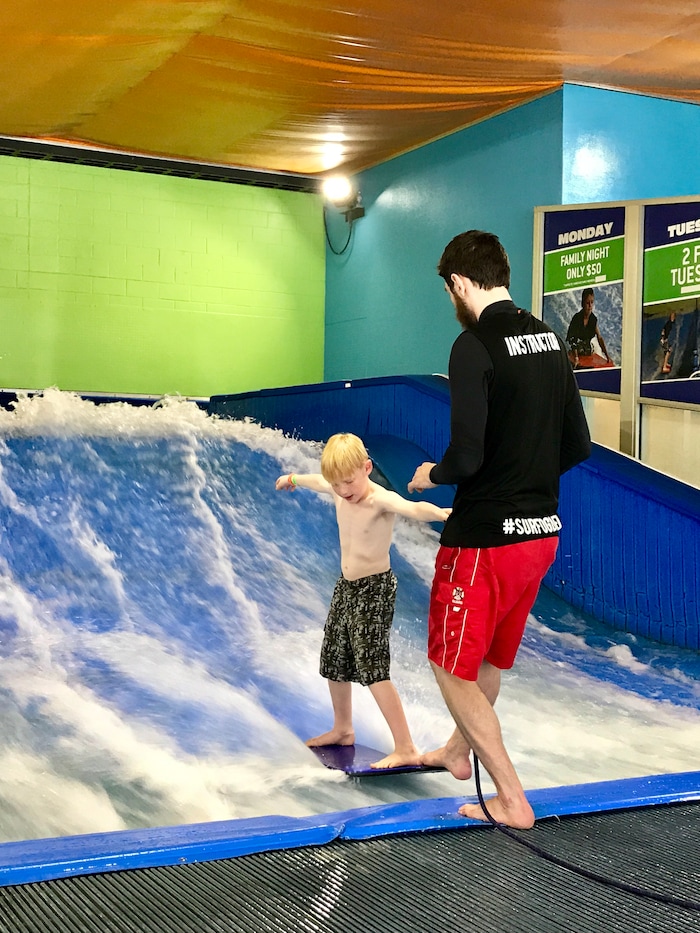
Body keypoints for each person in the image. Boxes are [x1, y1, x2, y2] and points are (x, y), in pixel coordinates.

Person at [408, 230, 591, 828]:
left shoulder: (473, 345)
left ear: (459, 283)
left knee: (448, 665)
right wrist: (527, 482)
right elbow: (577, 445)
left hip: (484, 539)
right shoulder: (549, 340)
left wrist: (428, 476)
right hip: (541, 534)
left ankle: (511, 798)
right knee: (489, 660)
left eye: (446, 291)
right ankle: (460, 752)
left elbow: (464, 457)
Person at [276, 432, 451, 769]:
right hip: (347, 587)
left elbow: (412, 508)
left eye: (350, 482)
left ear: (367, 468)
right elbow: (317, 480)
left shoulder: (378, 499)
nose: (344, 491)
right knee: (334, 657)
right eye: (337, 484)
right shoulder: (339, 489)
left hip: (375, 589)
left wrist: (441, 514)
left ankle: (406, 747)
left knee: (372, 668)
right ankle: (343, 729)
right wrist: (293, 478)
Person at [566, 287, 610, 367]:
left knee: (588, 349)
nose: (590, 306)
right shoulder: (577, 318)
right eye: (587, 303)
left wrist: (607, 356)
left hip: (586, 347)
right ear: (583, 304)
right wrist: (576, 358)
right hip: (575, 347)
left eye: (592, 302)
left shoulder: (593, 319)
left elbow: (599, 338)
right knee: (579, 348)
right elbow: (572, 340)